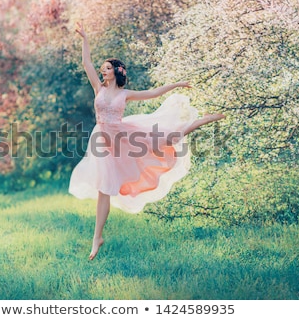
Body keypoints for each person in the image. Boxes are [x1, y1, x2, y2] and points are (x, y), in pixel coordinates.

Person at [69, 22, 225, 260]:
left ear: (117, 71)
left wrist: (177, 84)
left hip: (124, 136)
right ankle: (96, 238)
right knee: (105, 190)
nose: (103, 71)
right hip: (102, 142)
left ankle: (202, 120)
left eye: (108, 68)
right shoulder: (97, 89)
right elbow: (86, 63)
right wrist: (85, 38)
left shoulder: (124, 94)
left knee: (166, 139)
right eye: (103, 68)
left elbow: (153, 94)